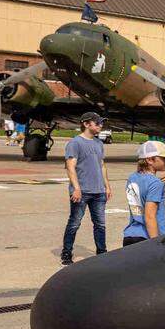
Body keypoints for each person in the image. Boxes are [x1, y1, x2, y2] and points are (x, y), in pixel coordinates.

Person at [60, 112, 111, 265]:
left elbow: (102, 165)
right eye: (97, 123)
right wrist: (76, 188)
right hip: (82, 192)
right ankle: (66, 253)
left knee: (100, 224)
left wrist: (107, 186)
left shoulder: (99, 143)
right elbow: (70, 167)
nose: (101, 125)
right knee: (74, 223)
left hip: (99, 192)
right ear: (86, 124)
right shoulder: (75, 143)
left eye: (101, 123)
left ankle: (101, 253)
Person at [123, 141, 165, 245]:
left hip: (130, 234)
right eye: (164, 158)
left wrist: (158, 184)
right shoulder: (155, 184)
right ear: (150, 160)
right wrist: (155, 243)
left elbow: (142, 191)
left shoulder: (132, 178)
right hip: (147, 237)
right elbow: (149, 216)